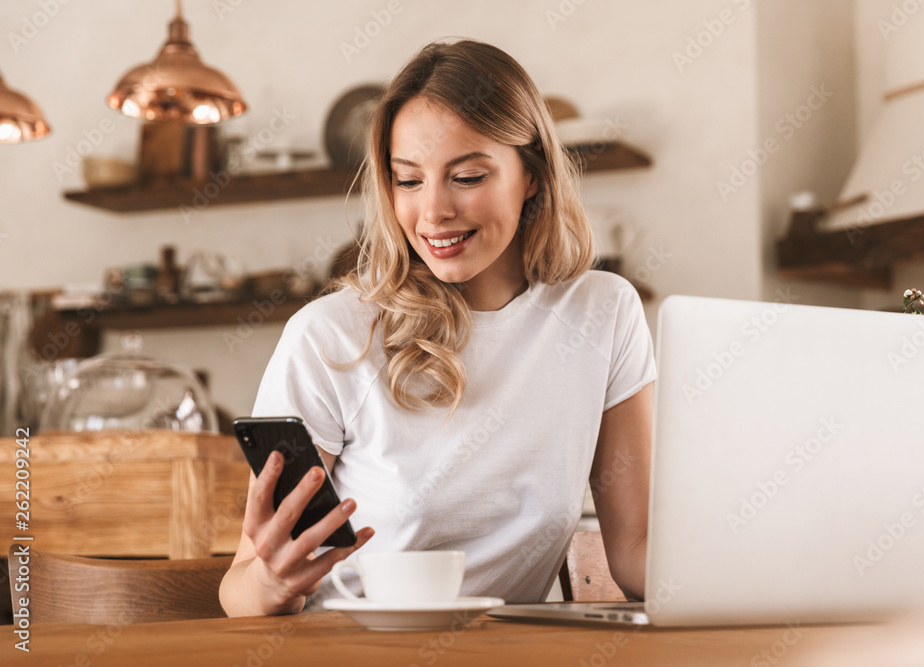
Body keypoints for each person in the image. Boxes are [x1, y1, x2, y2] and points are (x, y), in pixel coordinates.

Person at [219, 39, 655, 617]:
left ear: (533, 175)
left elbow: (633, 553)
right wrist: (272, 582)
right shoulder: (328, 338)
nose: (433, 212)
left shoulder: (602, 313)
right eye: (408, 180)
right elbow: (239, 592)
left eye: (468, 176)